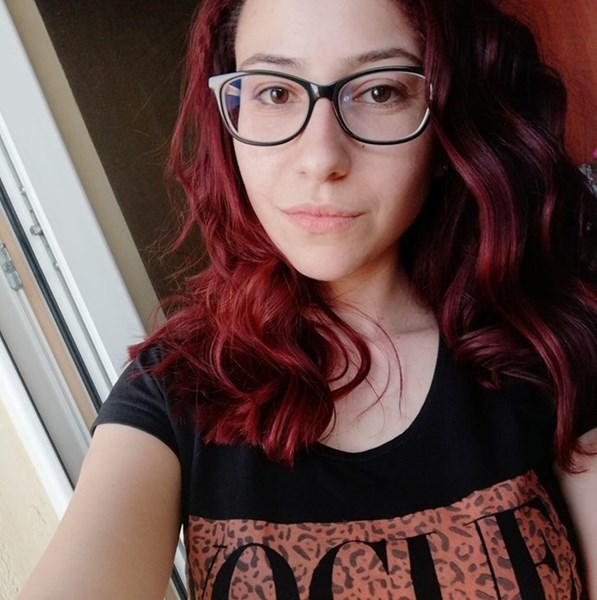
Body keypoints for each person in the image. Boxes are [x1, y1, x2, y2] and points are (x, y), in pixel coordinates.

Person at [19, 0, 596, 598]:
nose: (321, 158)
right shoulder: (174, 391)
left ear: (446, 118)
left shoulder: (549, 345)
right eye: (274, 93)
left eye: (379, 92)